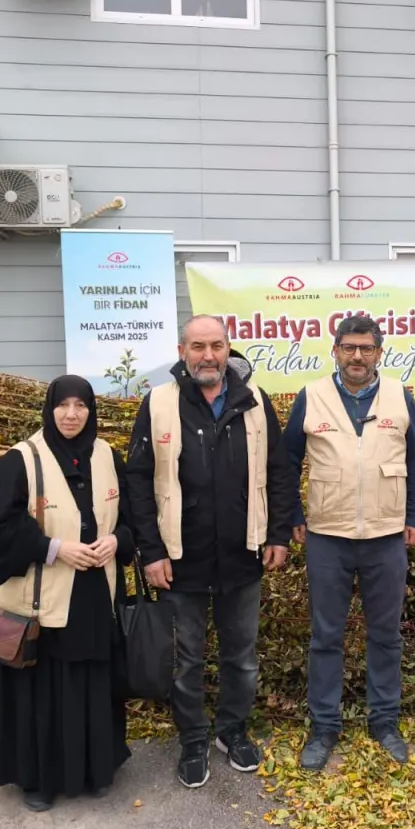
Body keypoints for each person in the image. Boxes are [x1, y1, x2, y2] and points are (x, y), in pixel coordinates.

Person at [126, 315, 294, 790]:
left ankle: (232, 730)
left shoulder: (255, 401)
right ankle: (194, 738)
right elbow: (138, 482)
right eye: (198, 346)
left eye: (216, 346)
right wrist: (151, 552)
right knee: (186, 659)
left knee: (241, 656)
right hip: (181, 557)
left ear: (227, 349)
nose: (208, 355)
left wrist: (278, 534)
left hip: (242, 554)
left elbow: (278, 471)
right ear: (183, 351)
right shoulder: (159, 403)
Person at [0, 374, 135, 811]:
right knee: (42, 688)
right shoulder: (20, 460)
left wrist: (117, 541)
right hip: (42, 601)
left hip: (94, 595)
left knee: (91, 682)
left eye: (81, 405)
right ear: (49, 409)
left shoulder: (106, 455)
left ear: (91, 410)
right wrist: (54, 548)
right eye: (63, 405)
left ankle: (92, 768)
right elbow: (1, 530)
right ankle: (38, 779)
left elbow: (133, 517)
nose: (71, 414)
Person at [283, 314, 415, 770]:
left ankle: (384, 720)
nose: (358, 356)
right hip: (329, 536)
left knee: (385, 636)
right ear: (336, 350)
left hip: (386, 537)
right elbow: (284, 464)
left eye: (367, 348)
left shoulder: (400, 397)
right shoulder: (312, 397)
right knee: (326, 636)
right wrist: (293, 515)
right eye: (349, 348)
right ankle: (324, 726)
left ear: (379, 352)